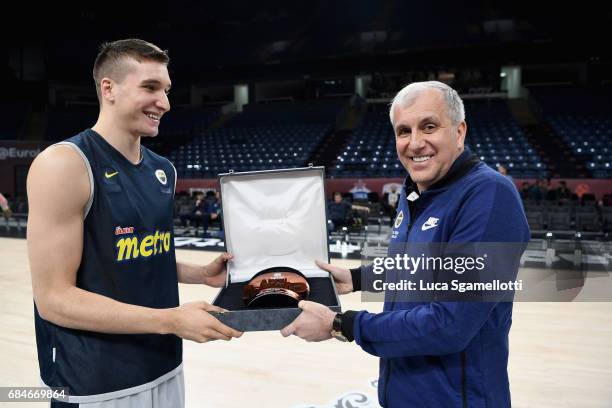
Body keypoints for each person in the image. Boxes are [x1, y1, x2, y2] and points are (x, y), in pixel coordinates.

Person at [281, 81, 530, 407]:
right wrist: (358, 279)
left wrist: (342, 324)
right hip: (402, 392)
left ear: (459, 131)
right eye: (403, 131)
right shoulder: (416, 190)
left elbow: (451, 324)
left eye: (429, 126)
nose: (415, 143)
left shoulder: (489, 195)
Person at [27, 39, 242, 408]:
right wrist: (170, 320)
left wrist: (199, 274)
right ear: (108, 89)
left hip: (165, 365)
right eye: (150, 87)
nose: (165, 102)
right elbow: (54, 300)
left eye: (166, 90)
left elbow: (127, 257)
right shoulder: (64, 164)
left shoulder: (163, 169)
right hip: (95, 382)